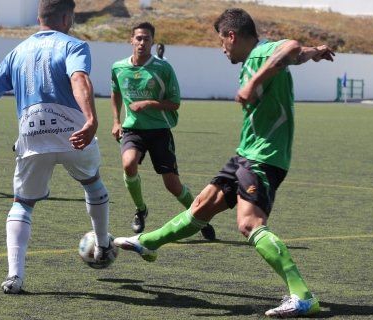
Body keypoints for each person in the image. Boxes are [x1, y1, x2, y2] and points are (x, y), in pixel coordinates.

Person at [114, 8, 334, 318]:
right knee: (202, 205)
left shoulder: (262, 53)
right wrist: (318, 52)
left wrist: (252, 82)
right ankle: (148, 243)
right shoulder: (260, 55)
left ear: (232, 35)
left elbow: (292, 47)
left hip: (265, 156)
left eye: (222, 41)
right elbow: (301, 52)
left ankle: (303, 296)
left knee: (249, 224)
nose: (222, 48)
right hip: (246, 153)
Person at [0, 0, 114, 294]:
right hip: (73, 132)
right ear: (67, 17)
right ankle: (103, 244)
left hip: (32, 133)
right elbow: (79, 78)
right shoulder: (73, 46)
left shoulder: (17, 52)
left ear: (39, 17)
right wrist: (91, 119)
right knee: (92, 183)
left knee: (22, 204)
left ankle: (14, 277)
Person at [110, 22, 216, 240]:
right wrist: (116, 121)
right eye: (138, 38)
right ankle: (141, 210)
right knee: (128, 164)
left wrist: (149, 103)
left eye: (146, 39)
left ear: (152, 42)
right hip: (133, 129)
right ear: (131, 40)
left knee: (173, 185)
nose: (142, 42)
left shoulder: (163, 68)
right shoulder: (118, 68)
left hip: (159, 130)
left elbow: (174, 103)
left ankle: (200, 217)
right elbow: (116, 92)